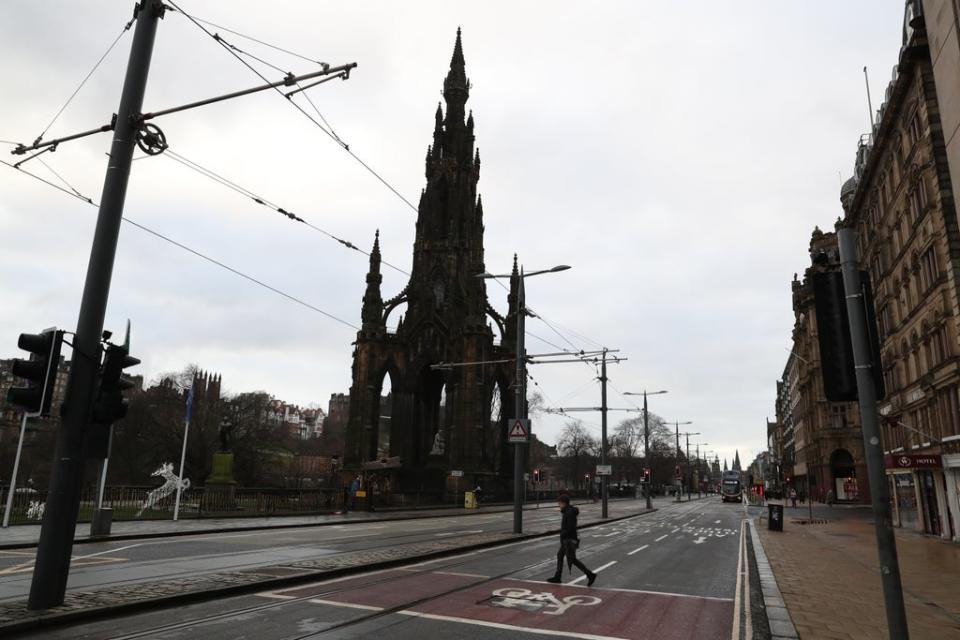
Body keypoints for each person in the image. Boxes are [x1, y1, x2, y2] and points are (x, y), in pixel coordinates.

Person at [547, 494, 597, 586]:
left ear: (563, 503)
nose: (559, 505)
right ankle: (557, 576)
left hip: (569, 540)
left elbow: (570, 527)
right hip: (567, 539)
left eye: (559, 503)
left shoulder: (569, 512)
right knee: (560, 556)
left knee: (572, 560)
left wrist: (563, 534)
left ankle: (590, 574)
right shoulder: (567, 511)